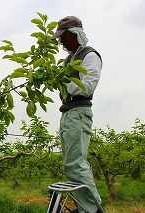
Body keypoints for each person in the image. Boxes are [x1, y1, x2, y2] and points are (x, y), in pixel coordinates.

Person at [51, 16, 103, 213]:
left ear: (74, 34)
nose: (61, 43)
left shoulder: (90, 56)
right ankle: (85, 208)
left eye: (63, 38)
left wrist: (62, 82)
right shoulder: (69, 60)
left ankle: (92, 209)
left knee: (75, 164)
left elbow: (88, 86)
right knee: (70, 164)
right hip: (68, 113)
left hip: (79, 112)